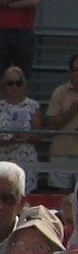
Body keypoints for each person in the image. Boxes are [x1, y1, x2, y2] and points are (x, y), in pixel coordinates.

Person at [0, 65, 41, 174]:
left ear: (23, 84)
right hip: (0, 158)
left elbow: (39, 135)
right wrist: (8, 141)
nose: (14, 87)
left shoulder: (33, 106)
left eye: (18, 83)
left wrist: (26, 137)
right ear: (4, 85)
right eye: (10, 83)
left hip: (25, 157)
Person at [45, 52, 78, 190]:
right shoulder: (60, 92)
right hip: (61, 153)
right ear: (70, 73)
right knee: (59, 199)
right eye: (77, 70)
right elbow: (51, 124)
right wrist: (71, 111)